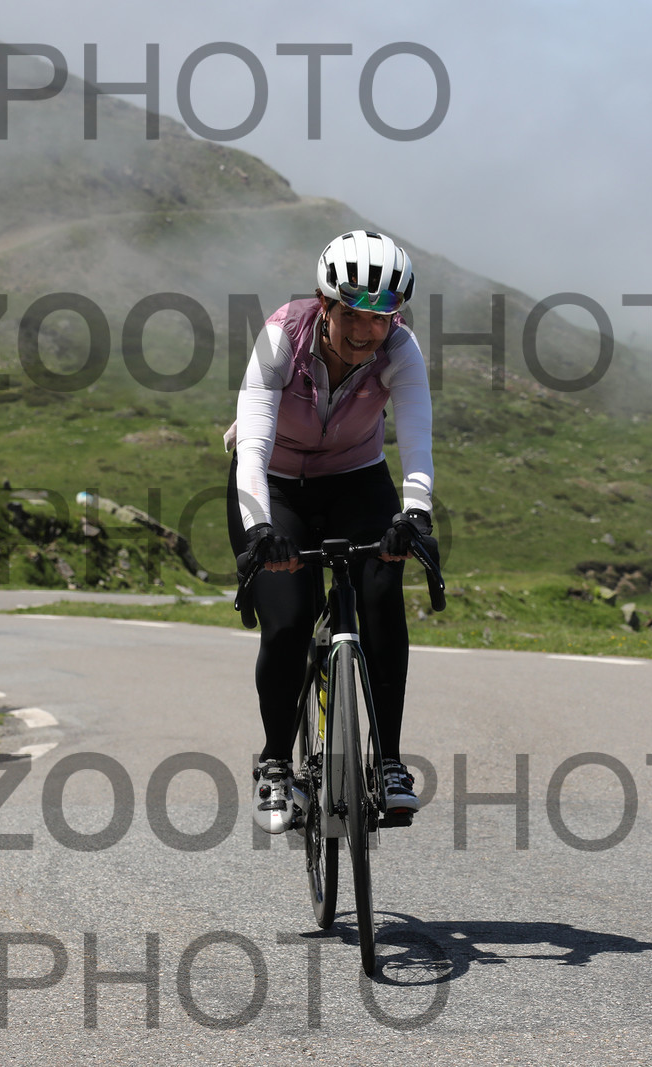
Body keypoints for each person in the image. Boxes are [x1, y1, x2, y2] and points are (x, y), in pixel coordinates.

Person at [225, 230, 437, 834]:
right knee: (289, 619)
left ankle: (389, 763)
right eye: (353, 315)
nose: (368, 331)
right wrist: (261, 529)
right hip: (273, 484)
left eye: (382, 317)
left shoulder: (401, 350)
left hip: (355, 480)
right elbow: (253, 444)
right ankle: (275, 764)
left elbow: (416, 440)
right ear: (325, 304)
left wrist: (415, 513)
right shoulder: (281, 339)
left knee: (381, 597)